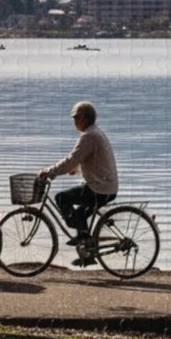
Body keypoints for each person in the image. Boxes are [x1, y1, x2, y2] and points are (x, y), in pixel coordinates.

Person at [37, 100, 119, 267]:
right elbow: (87, 159)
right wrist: (77, 169)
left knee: (61, 198)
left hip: (100, 189)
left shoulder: (88, 136)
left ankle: (83, 235)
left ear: (84, 118)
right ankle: (87, 251)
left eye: (76, 118)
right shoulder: (95, 132)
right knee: (80, 215)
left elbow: (71, 159)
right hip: (106, 186)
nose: (74, 122)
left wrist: (50, 171)